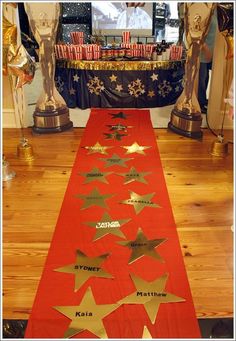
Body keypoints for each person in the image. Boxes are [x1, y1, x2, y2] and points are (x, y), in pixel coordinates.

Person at [198, 11, 218, 114]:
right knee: (202, 78)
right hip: (203, 52)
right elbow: (198, 33)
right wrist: (206, 50)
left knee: (208, 78)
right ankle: (200, 103)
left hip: (215, 52)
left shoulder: (218, 11)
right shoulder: (205, 11)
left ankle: (203, 100)